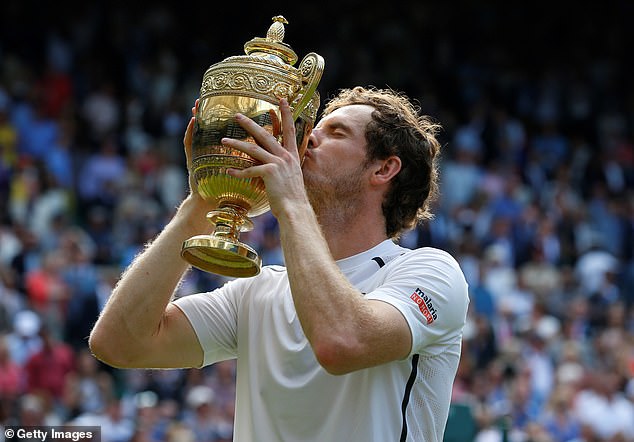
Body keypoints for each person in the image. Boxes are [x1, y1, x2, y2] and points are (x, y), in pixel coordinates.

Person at [89, 86, 470, 441]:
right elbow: (118, 344)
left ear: (383, 169)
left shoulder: (430, 272)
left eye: (336, 133)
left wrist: (291, 202)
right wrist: (200, 206)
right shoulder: (258, 290)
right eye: (314, 128)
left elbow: (341, 342)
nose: (308, 138)